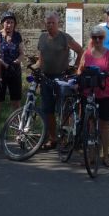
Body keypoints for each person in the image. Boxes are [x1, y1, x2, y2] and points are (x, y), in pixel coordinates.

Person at [36, 11, 82, 150]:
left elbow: (80, 51)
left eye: (53, 23)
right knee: (48, 110)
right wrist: (37, 68)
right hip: (46, 78)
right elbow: (41, 56)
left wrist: (75, 69)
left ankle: (65, 138)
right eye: (48, 23)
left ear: (58, 24)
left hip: (61, 78)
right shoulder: (42, 38)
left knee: (63, 110)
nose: (50, 25)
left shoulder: (65, 37)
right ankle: (53, 138)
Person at [78, 25, 109, 168]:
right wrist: (78, 79)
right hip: (89, 93)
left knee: (104, 125)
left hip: (105, 93)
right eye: (94, 37)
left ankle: (105, 155)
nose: (97, 40)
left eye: (100, 37)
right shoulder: (87, 54)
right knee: (89, 125)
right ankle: (90, 156)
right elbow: (80, 69)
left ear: (103, 38)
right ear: (91, 38)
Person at [0, 11, 24, 137]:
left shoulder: (17, 36)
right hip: (1, 72)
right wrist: (4, 64)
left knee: (16, 102)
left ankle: (18, 132)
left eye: (11, 22)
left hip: (14, 71)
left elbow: (22, 53)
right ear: (2, 23)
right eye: (7, 22)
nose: (9, 25)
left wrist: (16, 61)